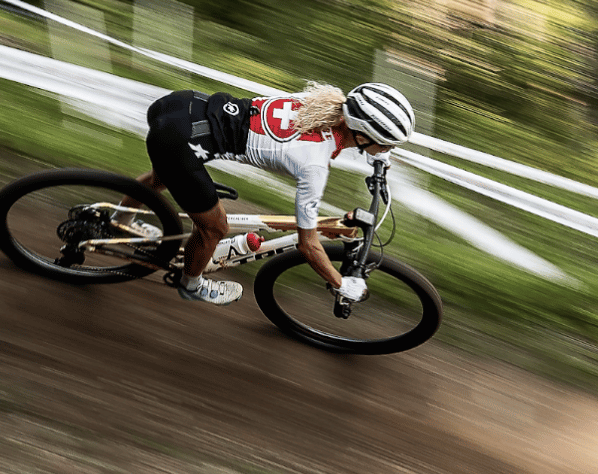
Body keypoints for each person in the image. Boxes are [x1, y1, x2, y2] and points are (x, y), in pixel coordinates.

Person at [124, 82, 415, 306]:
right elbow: (309, 245)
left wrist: (376, 155)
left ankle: (120, 218)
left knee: (162, 178)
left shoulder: (324, 101)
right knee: (215, 228)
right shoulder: (313, 165)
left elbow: (335, 136)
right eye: (387, 145)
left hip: (182, 106)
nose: (389, 151)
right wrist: (340, 284)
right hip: (182, 140)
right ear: (362, 136)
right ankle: (191, 286)